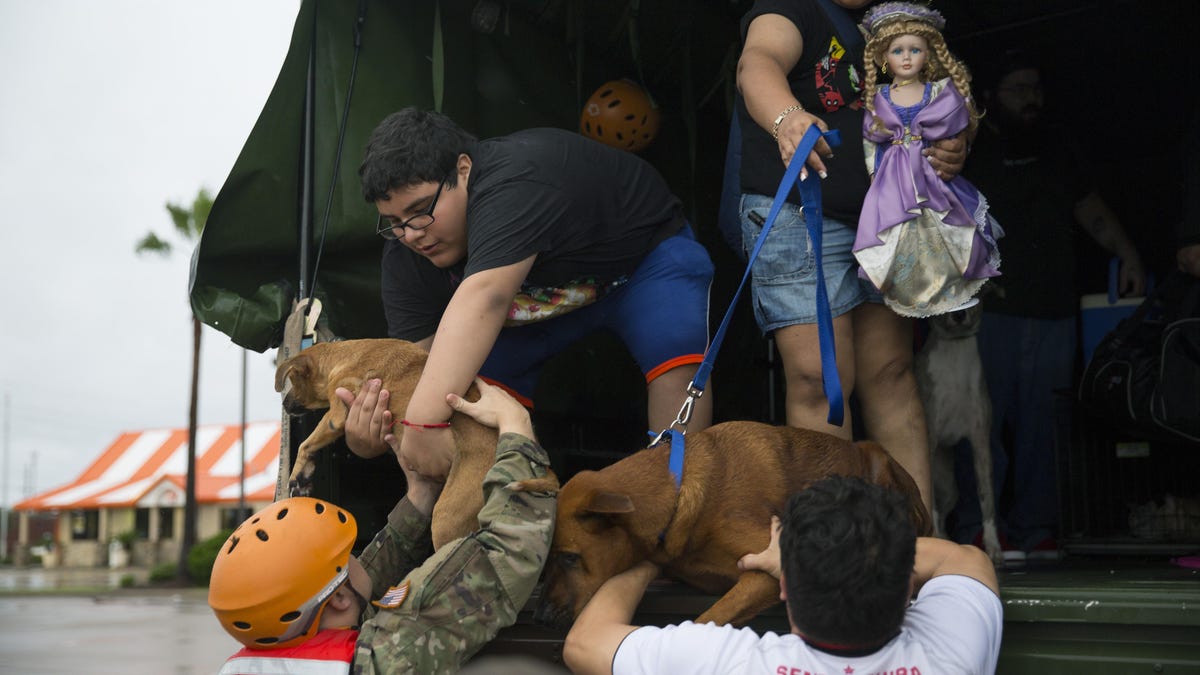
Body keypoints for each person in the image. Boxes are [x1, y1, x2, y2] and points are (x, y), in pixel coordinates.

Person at [344, 108, 714, 482]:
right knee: (455, 395)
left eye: (421, 210)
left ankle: (677, 499)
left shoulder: (515, 177)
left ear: (464, 169)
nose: (411, 234)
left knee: (676, 346)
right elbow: (415, 373)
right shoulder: (405, 254)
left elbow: (485, 297)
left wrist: (421, 422)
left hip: (639, 266)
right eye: (394, 223)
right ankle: (509, 522)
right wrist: (377, 432)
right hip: (530, 313)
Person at [735, 0, 970, 512]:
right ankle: (835, 551)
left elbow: (929, 106)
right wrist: (788, 117)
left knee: (891, 372)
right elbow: (757, 63)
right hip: (802, 213)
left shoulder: (893, 24)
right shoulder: (791, 8)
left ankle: (917, 544)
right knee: (821, 379)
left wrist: (953, 146)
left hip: (886, 217)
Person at [209, 379, 557, 674]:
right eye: (350, 555)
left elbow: (360, 589)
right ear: (340, 599)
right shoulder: (390, 658)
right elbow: (509, 550)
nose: (361, 556)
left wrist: (420, 498)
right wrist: (516, 428)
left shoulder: (256, 661)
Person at [954, 51, 1145, 558]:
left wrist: (1127, 253)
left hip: (1054, 311)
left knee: (1046, 425)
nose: (1030, 99)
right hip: (986, 312)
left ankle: (1037, 528)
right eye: (1018, 89)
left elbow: (1089, 208)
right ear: (991, 98)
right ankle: (979, 527)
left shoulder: (1058, 148)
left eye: (1035, 89)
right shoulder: (969, 150)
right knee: (981, 424)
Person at [562, 475, 1002, 674]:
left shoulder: (723, 661)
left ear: (784, 585)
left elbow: (585, 643)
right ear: (909, 585)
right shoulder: (951, 655)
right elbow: (964, 559)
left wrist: (650, 552)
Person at [854, 2, 1002, 317]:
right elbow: (871, 143)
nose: (906, 58)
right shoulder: (878, 99)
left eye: (914, 50)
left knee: (946, 234)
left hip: (930, 176)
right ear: (883, 57)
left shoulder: (939, 93)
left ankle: (951, 290)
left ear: (928, 54)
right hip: (894, 180)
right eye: (898, 51)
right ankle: (912, 294)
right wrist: (874, 177)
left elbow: (954, 127)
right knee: (902, 241)